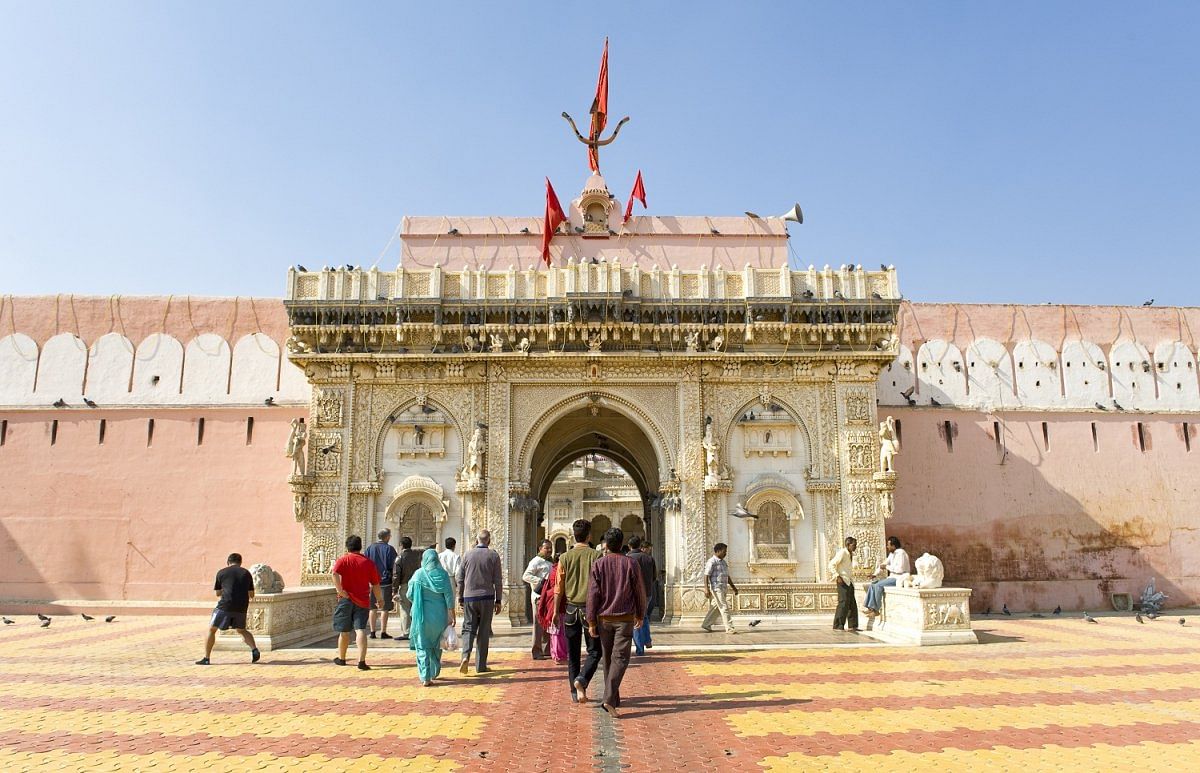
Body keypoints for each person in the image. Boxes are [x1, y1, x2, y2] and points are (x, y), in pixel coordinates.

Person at [586, 527, 647, 718]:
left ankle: (612, 697)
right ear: (622, 544)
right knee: (620, 658)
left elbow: (593, 595)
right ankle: (610, 699)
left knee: (608, 659)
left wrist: (591, 621)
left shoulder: (599, 564)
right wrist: (640, 613)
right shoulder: (630, 564)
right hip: (624, 618)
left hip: (604, 619)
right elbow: (639, 591)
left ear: (606, 545)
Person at [555, 518, 601, 703]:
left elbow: (559, 587)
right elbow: (599, 585)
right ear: (589, 535)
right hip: (591, 610)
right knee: (595, 651)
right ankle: (582, 679)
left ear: (574, 535)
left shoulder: (564, 557)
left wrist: (555, 612)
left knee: (572, 654)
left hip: (571, 610)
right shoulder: (596, 556)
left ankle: (574, 693)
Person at [331, 535, 385, 670]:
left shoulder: (343, 559)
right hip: (362, 600)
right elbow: (376, 584)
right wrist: (380, 600)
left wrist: (340, 590)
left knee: (344, 631)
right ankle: (361, 661)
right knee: (360, 629)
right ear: (360, 547)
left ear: (347, 546)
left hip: (346, 599)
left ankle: (342, 658)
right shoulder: (368, 562)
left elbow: (334, 573)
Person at [196, 553, 259, 665]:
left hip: (224, 606)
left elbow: (218, 593)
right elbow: (251, 594)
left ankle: (206, 658)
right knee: (242, 630)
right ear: (240, 562)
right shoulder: (246, 573)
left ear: (228, 562)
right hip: (241, 607)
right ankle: (254, 649)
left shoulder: (221, 572)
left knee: (212, 629)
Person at [406, 548, 456, 686]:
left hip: (422, 617)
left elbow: (409, 595)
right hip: (439, 617)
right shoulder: (443, 575)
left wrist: (419, 601)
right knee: (436, 645)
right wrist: (452, 614)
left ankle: (425, 677)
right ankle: (434, 671)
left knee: (422, 646)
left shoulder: (418, 575)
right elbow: (449, 597)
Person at [456, 529, 503, 674]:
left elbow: (460, 577)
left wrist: (460, 596)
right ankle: (480, 665)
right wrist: (498, 600)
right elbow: (498, 580)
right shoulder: (493, 555)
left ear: (477, 540)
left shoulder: (467, 555)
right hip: (487, 597)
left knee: (468, 628)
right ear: (488, 540)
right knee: (483, 630)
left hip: (470, 597)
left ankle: (465, 656)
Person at [521, 539, 554, 660]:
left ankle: (546, 650)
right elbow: (525, 576)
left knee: (546, 623)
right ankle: (536, 650)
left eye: (550, 548)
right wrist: (540, 581)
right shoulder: (535, 561)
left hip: (548, 598)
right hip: (538, 597)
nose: (549, 550)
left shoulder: (549, 562)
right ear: (540, 549)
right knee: (537, 624)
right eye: (546, 548)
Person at [864, 536, 910, 619]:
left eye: (888, 545)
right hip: (892, 577)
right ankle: (870, 607)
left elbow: (900, 569)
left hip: (899, 578)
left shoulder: (901, 553)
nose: (887, 547)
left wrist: (887, 567)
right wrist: (875, 574)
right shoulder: (892, 554)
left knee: (878, 585)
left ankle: (876, 610)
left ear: (893, 546)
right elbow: (883, 565)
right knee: (873, 584)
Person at [364, 529, 397, 640]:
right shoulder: (389, 549)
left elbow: (365, 563)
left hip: (372, 582)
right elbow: (394, 566)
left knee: (372, 608)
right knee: (384, 608)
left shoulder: (370, 548)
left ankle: (372, 631)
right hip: (385, 582)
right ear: (387, 537)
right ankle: (383, 631)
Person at [627, 536, 656, 655]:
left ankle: (640, 648)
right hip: (647, 593)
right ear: (640, 545)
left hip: (633, 594)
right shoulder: (649, 558)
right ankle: (647, 640)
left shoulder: (628, 558)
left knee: (635, 619)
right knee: (643, 616)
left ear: (629, 546)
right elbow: (654, 577)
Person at [701, 543, 739, 634]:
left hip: (723, 588)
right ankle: (730, 628)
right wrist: (706, 589)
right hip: (716, 588)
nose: (725, 553)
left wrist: (734, 588)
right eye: (724, 551)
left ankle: (706, 624)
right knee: (724, 607)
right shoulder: (712, 561)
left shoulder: (723, 562)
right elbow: (706, 575)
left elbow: (727, 576)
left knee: (716, 608)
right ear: (718, 551)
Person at [392, 536, 423, 640]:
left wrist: (394, 590)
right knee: (416, 607)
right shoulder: (417, 556)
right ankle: (417, 630)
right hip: (417, 585)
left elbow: (396, 575)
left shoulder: (400, 557)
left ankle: (407, 632)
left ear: (401, 545)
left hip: (405, 585)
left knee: (405, 608)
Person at [829, 536, 859, 632]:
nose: (855, 547)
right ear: (848, 545)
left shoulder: (851, 554)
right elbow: (831, 564)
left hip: (849, 581)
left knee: (852, 604)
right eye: (853, 545)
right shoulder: (842, 552)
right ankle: (838, 625)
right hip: (842, 580)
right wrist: (837, 576)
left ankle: (853, 625)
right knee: (843, 603)